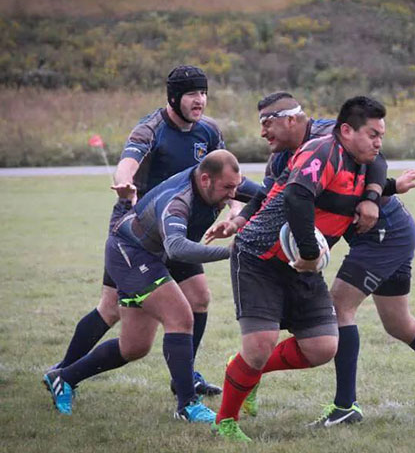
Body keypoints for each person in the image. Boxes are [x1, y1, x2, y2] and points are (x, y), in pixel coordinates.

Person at [211, 92, 415, 427]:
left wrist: (372, 197)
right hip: (375, 236)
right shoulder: (282, 159)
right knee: (399, 323)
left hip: (383, 232)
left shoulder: (329, 134)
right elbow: (271, 196)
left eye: (268, 123)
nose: (263, 133)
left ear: (291, 119)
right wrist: (239, 221)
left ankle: (344, 406)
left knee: (340, 306)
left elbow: (376, 157)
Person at [47, 65, 259, 396]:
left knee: (199, 298)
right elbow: (128, 161)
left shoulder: (208, 132)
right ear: (174, 97)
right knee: (110, 309)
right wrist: (123, 182)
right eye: (192, 94)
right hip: (139, 233)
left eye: (203, 93)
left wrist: (235, 208)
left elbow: (228, 174)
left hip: (179, 233)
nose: (200, 100)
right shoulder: (151, 128)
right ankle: (62, 372)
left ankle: (185, 377)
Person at [208, 96, 387, 442]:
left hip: (300, 264)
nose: (379, 142)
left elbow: (378, 167)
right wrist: (308, 252)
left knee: (322, 347)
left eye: (381, 135)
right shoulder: (323, 151)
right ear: (347, 131)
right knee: (259, 345)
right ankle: (225, 420)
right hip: (260, 257)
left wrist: (376, 195)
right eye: (373, 134)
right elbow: (295, 197)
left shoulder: (361, 158)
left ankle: (246, 369)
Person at [43, 150, 242, 422]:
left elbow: (262, 194)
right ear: (206, 180)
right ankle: (187, 404)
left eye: (236, 186)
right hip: (131, 253)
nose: (233, 193)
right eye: (228, 188)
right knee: (179, 317)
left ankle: (63, 377)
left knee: (135, 346)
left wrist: (241, 213)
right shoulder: (178, 201)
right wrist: (232, 251)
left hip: (147, 253)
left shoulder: (222, 183)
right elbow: (177, 247)